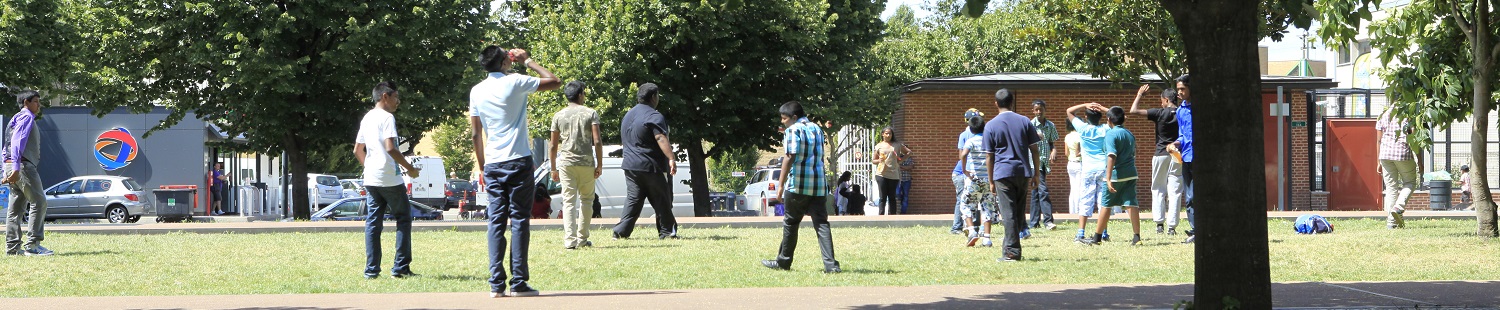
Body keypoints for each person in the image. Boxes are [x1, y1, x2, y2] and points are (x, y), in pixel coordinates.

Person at [469, 46, 562, 297]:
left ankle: (496, 284)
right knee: (520, 221)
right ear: (503, 63)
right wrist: (527, 60)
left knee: (495, 222)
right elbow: (555, 82)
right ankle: (519, 283)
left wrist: (482, 166)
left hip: (493, 164)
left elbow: (476, 134)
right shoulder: (516, 82)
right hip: (519, 161)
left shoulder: (476, 91)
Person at [760, 101, 841, 273]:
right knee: (822, 223)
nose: (782, 122)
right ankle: (831, 265)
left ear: (794, 117)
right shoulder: (817, 129)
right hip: (819, 185)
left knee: (791, 222)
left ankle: (783, 262)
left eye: (784, 119)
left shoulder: (793, 130)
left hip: (798, 184)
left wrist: (780, 185)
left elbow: (790, 156)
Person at [354, 81, 422, 279]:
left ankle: (371, 271)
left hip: (371, 178)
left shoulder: (366, 118)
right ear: (385, 96)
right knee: (403, 218)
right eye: (396, 97)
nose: (397, 101)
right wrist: (410, 169)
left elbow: (358, 150)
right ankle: (400, 269)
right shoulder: (387, 118)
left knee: (373, 223)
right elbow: (391, 148)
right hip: (389, 178)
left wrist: (369, 167)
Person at [613, 83, 680, 239]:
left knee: (633, 200)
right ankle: (667, 231)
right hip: (651, 166)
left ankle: (620, 232)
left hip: (630, 165)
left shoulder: (628, 115)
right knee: (662, 198)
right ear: (653, 97)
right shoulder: (654, 116)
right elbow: (660, 137)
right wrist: (671, 158)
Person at [983, 89, 1042, 262]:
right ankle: (1014, 249)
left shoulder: (991, 125)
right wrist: (1036, 173)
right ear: (1012, 102)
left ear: (996, 103)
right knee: (1018, 212)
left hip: (1002, 173)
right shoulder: (1024, 121)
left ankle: (1011, 252)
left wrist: (991, 179)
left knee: (1008, 213)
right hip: (1023, 172)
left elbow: (989, 156)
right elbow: (1035, 149)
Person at [549, 81, 603, 250]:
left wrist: (553, 168)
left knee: (568, 201)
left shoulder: (558, 115)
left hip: (566, 163)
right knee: (587, 200)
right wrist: (599, 164)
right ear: (580, 95)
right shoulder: (590, 113)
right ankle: (582, 238)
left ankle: (569, 240)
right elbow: (597, 141)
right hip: (586, 162)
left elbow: (552, 145)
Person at [1128, 84, 1182, 235]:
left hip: (1160, 154)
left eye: (1162, 101)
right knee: (1175, 190)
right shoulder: (1182, 112)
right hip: (1177, 154)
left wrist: (1139, 95)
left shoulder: (1159, 113)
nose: (1161, 103)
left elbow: (1133, 111)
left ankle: (1159, 224)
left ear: (1165, 100)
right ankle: (1172, 227)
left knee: (1158, 188)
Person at [4, 90, 52, 256]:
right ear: (26, 102)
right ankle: (33, 245)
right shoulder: (26, 117)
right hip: (23, 166)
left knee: (15, 211)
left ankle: (12, 249)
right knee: (39, 202)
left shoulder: (14, 119)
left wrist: (6, 169)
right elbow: (17, 142)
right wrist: (16, 168)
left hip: (12, 165)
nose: (39, 105)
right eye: (36, 101)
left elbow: (6, 146)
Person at [1087, 106, 1141, 245]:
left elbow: (1111, 156)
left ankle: (1097, 238)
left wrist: (1109, 178)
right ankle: (1137, 237)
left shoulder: (1111, 134)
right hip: (1131, 173)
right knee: (1131, 203)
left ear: (1109, 120)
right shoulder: (1129, 133)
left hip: (1116, 174)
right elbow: (1135, 152)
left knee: (1106, 204)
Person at [1066, 102, 1110, 243]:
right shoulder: (1104, 129)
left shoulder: (1083, 128)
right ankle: (1103, 233)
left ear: (1085, 117)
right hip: (1103, 168)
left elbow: (1069, 111)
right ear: (1101, 117)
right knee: (1103, 201)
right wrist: (1103, 108)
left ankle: (1081, 232)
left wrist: (1085, 104)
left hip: (1088, 169)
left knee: (1085, 200)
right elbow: (1117, 117)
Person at [1375, 107, 1421, 229]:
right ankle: (1398, 207)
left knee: (1391, 187)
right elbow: (1414, 139)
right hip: (1402, 153)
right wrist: (1420, 161)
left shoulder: (1383, 113)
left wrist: (1378, 161)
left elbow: (1379, 140)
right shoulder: (1409, 113)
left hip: (1384, 154)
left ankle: (1391, 223)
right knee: (1410, 182)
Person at [959, 111, 996, 247]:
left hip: (974, 178)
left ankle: (972, 231)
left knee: (965, 204)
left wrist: (964, 170)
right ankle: (987, 238)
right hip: (988, 178)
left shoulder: (970, 140)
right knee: (987, 206)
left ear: (971, 128)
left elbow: (963, 155)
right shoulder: (989, 140)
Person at [1168, 74, 1197, 243]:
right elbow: (1182, 135)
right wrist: (1175, 144)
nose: (1179, 92)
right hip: (1186, 157)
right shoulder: (1180, 111)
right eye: (1178, 89)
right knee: (1190, 195)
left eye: (1182, 89)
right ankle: (1195, 229)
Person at [1028, 99, 1059, 233]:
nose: (1039, 112)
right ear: (1033, 111)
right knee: (1043, 190)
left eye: (1041, 109)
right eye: (1036, 110)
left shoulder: (1050, 125)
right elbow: (1025, 142)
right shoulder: (1029, 125)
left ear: (1045, 110)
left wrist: (1054, 151)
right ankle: (1048, 221)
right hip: (1034, 162)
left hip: (1044, 162)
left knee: (1036, 192)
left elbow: (1052, 143)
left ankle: (1034, 222)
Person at [951, 109, 982, 235]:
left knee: (974, 200)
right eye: (978, 117)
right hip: (961, 173)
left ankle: (973, 227)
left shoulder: (980, 134)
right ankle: (956, 227)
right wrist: (965, 171)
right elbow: (961, 156)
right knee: (962, 199)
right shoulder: (965, 135)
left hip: (972, 173)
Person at [873, 127, 910, 215]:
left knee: (892, 197)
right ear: (883, 134)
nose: (888, 135)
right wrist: (879, 161)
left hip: (893, 174)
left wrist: (900, 160)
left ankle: (892, 218)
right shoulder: (879, 146)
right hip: (881, 174)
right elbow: (874, 160)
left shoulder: (897, 144)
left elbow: (909, 152)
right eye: (886, 133)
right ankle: (881, 217)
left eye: (890, 133)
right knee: (882, 197)